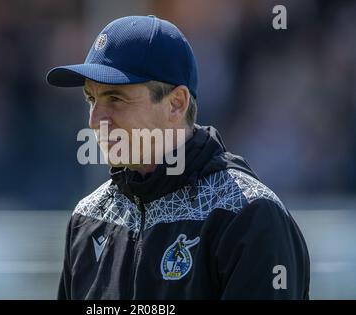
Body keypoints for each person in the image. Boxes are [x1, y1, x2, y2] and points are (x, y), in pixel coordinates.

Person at [47, 15, 310, 299]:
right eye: (91, 99)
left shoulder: (248, 217)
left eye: (115, 98)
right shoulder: (87, 218)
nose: (96, 119)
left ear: (176, 104)